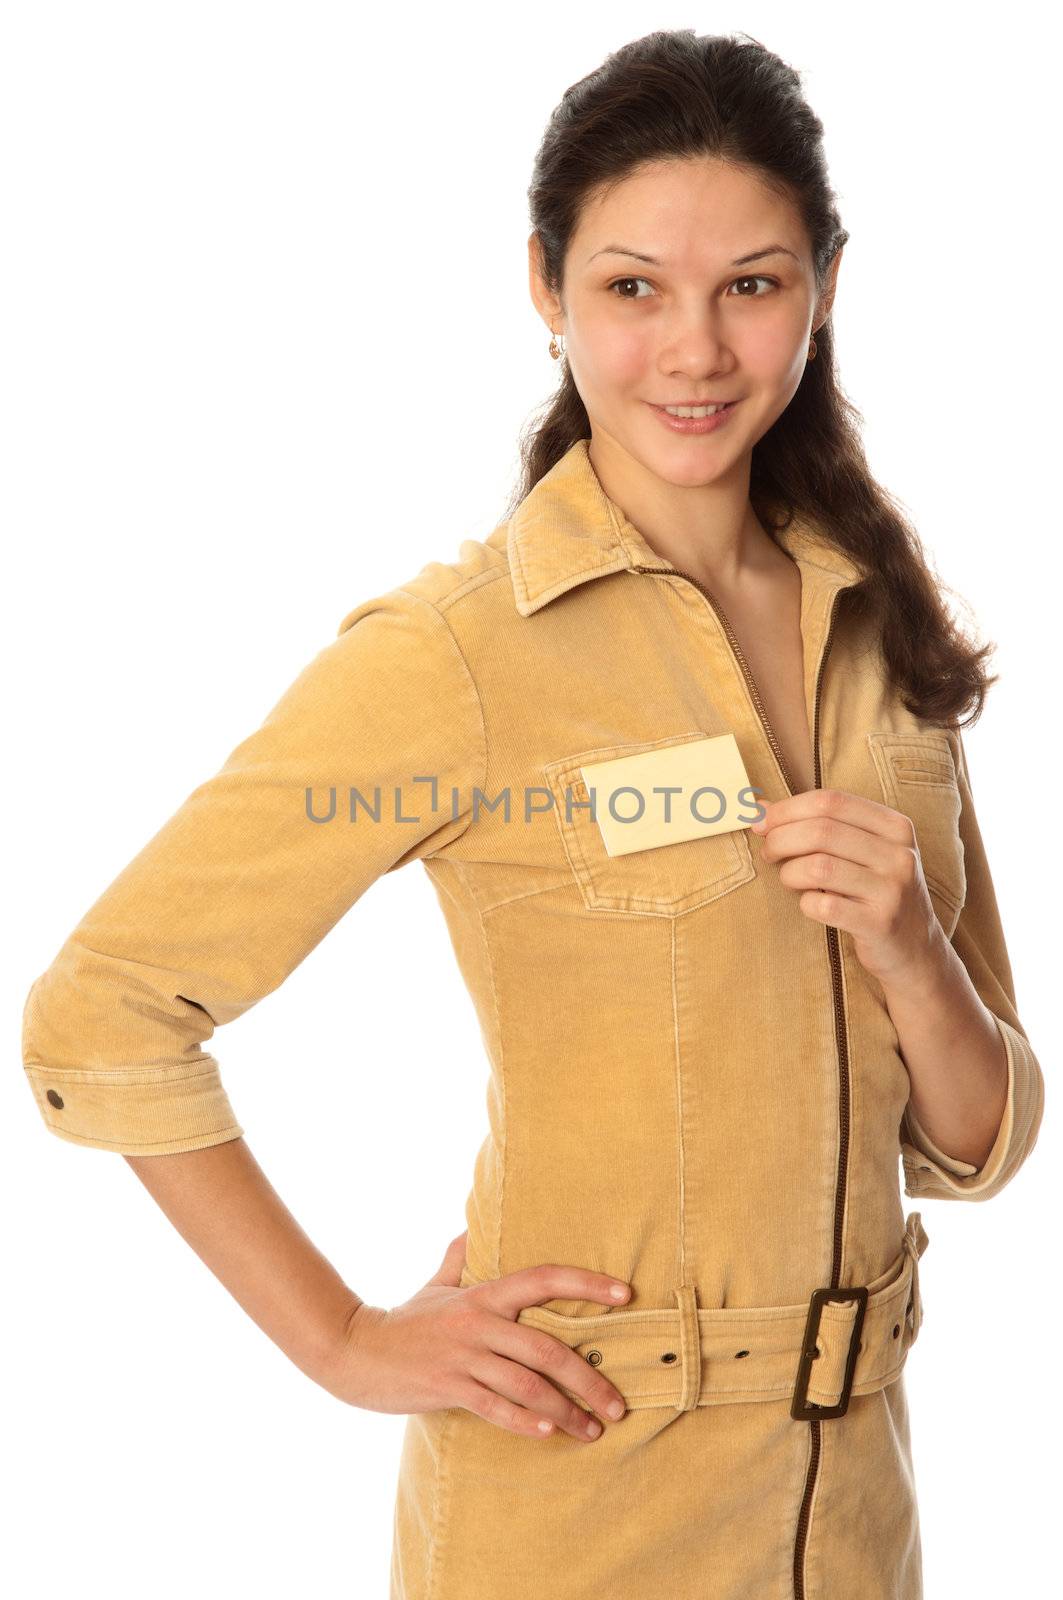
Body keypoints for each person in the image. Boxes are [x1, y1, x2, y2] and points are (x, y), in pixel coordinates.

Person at [21, 27, 1044, 1600]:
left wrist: (915, 953)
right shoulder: (457, 665)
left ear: (825, 286)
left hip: (858, 1532)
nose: (695, 351)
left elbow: (978, 1146)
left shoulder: (881, 634)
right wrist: (346, 1341)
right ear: (545, 288)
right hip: (577, 1512)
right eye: (633, 288)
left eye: (751, 285)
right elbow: (103, 1017)